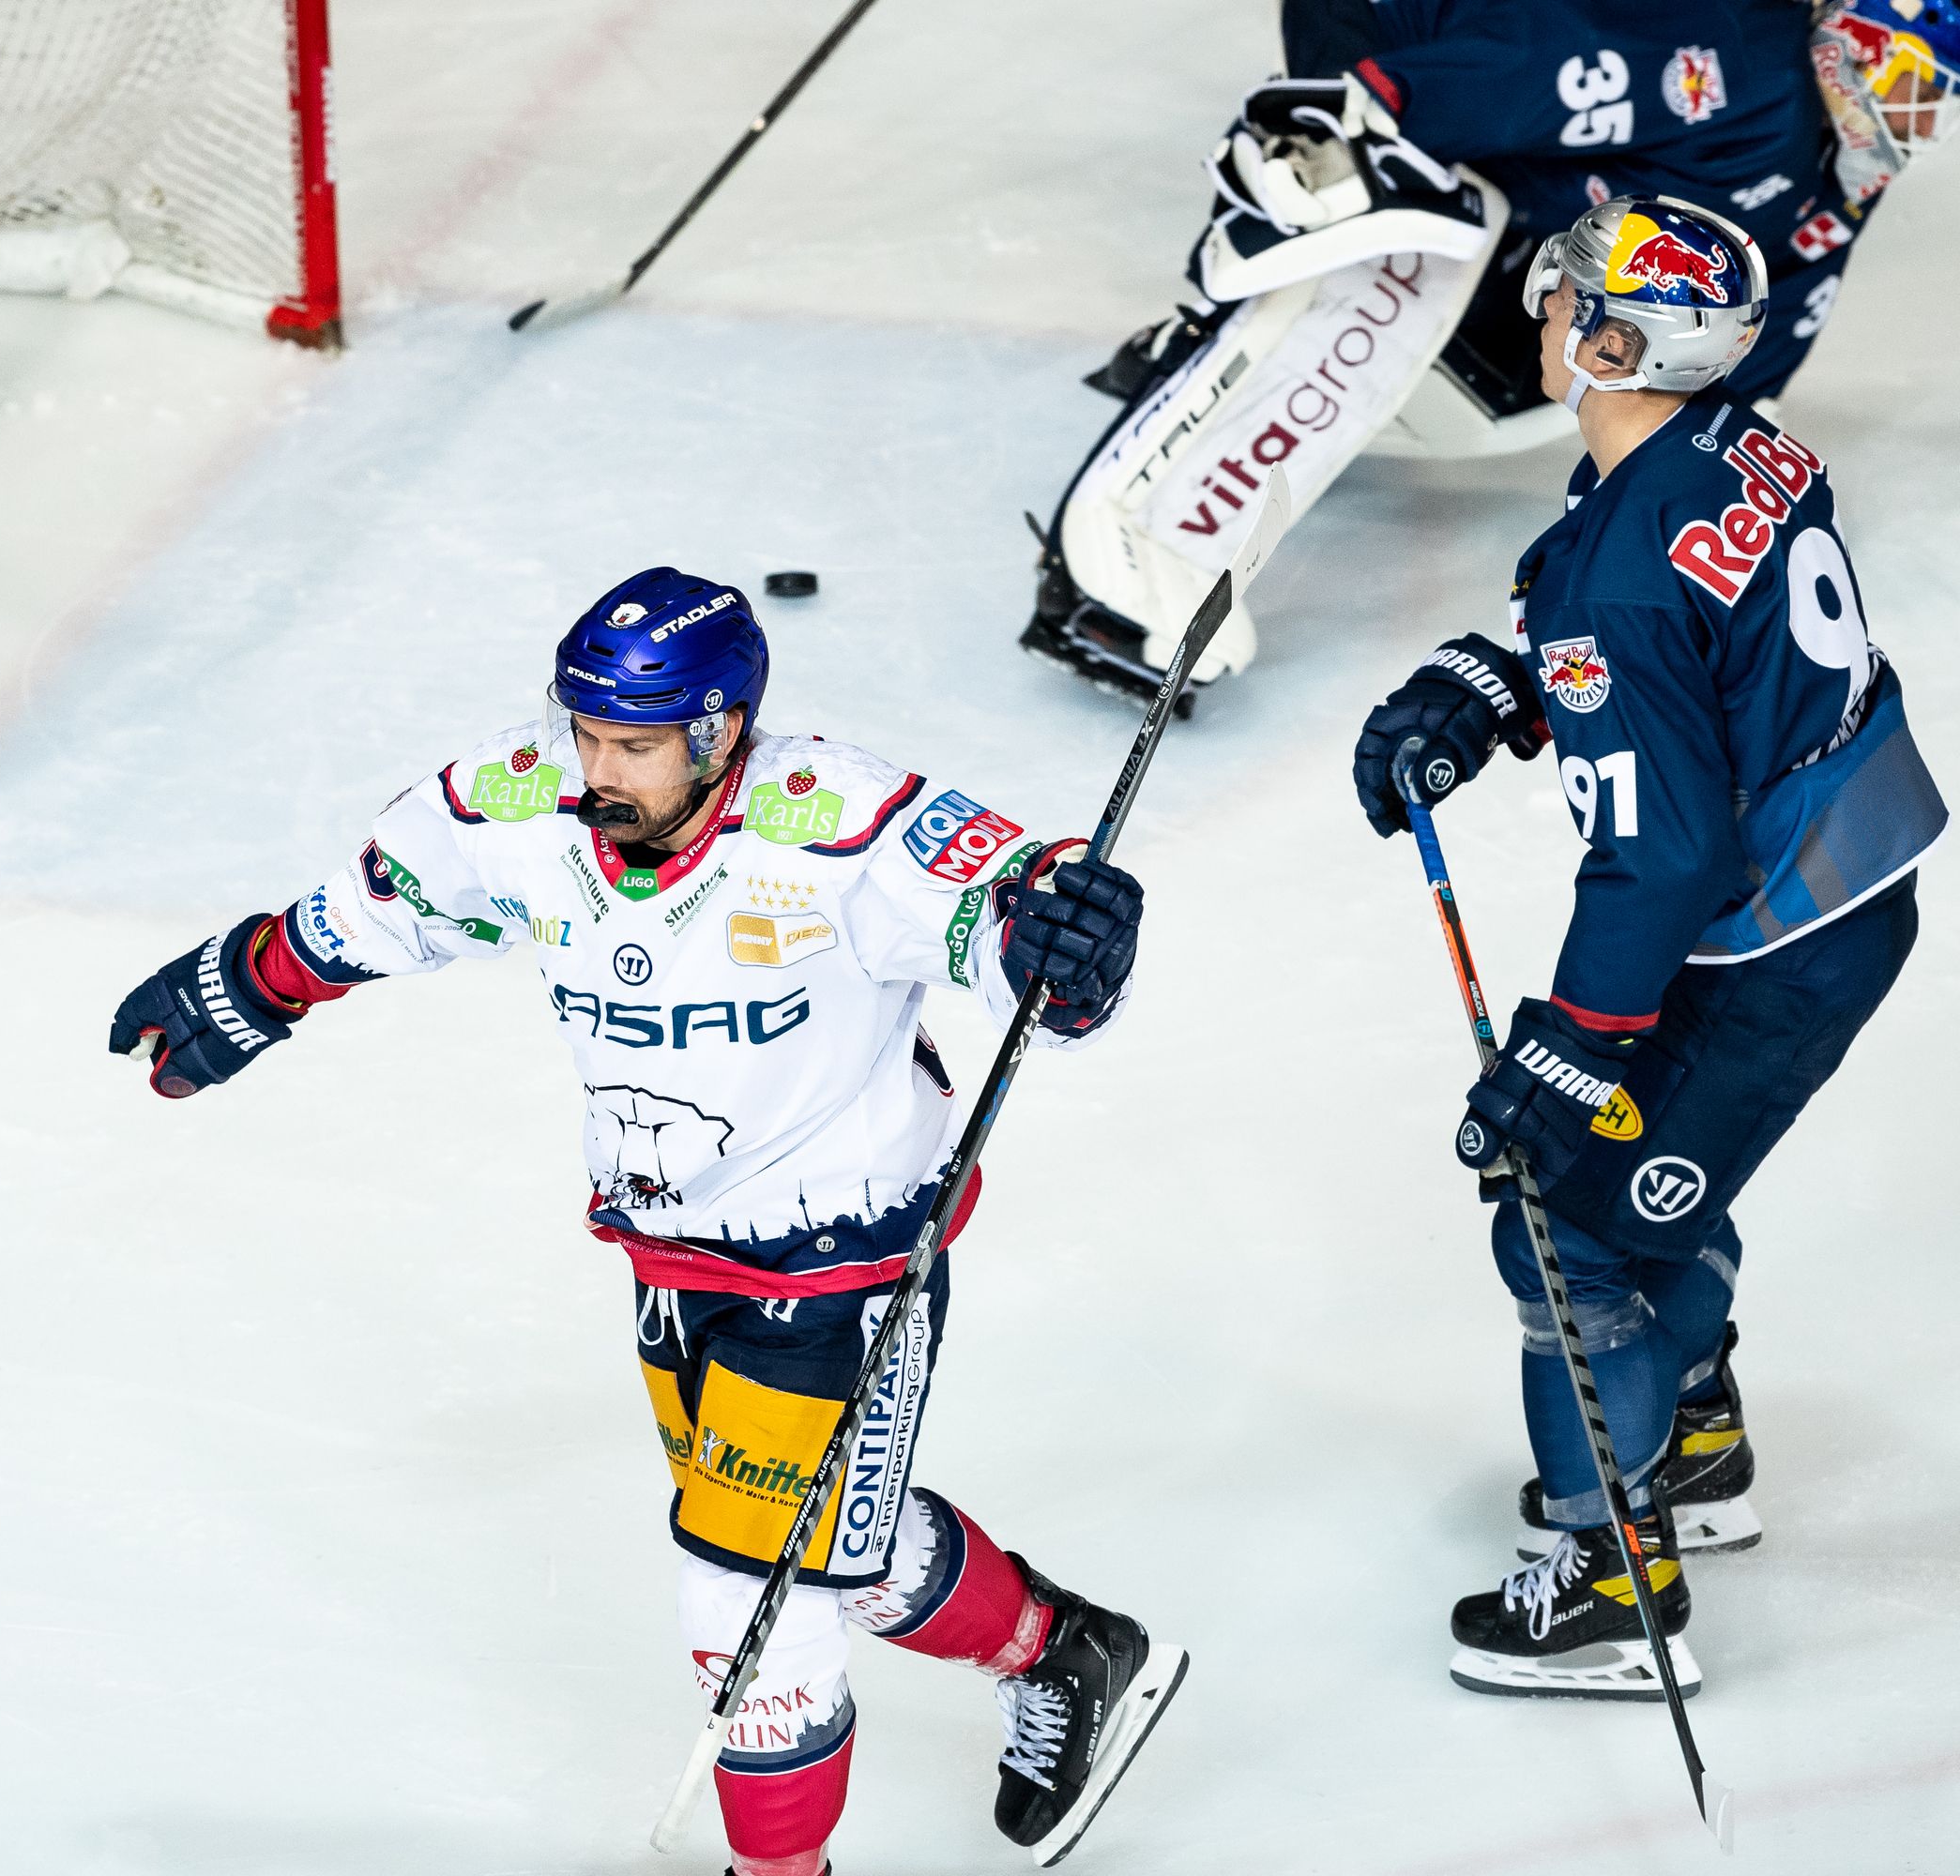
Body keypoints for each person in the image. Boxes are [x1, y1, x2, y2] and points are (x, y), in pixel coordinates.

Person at [110, 568, 1183, 1868]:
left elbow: (1011, 906)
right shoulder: (530, 802)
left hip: (845, 1263)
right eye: (587, 733)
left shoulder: (835, 823)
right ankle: (1061, 1650)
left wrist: (1063, 943)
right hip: (670, 1252)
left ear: (724, 731)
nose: (597, 767)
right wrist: (252, 985)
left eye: (635, 744)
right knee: (822, 1544)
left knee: (745, 1590)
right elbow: (396, 897)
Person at [1349, 194, 1943, 1697]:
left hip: (1772, 943)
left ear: (1615, 344)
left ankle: (1618, 1584)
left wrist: (1571, 1041)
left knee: (1568, 1229)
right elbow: (1695, 644)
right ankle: (1697, 1444)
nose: (1541, 313)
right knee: (1638, 1181)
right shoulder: (1741, 442)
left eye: (1565, 302)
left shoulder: (1612, 572)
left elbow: (1664, 850)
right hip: (1826, 886)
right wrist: (1506, 678)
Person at [1027, 0, 1960, 710]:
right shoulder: (1738, 62)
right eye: (1915, 80)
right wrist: (1381, 113)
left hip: (1514, 158)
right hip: (1403, 29)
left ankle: (1278, 352)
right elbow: (1556, 68)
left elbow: (1761, 324)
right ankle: (1142, 535)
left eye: (1940, 100)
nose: (1919, 118)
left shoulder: (1838, 163)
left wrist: (1708, 501)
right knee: (1411, 232)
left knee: (1528, 337)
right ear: (1854, 34)